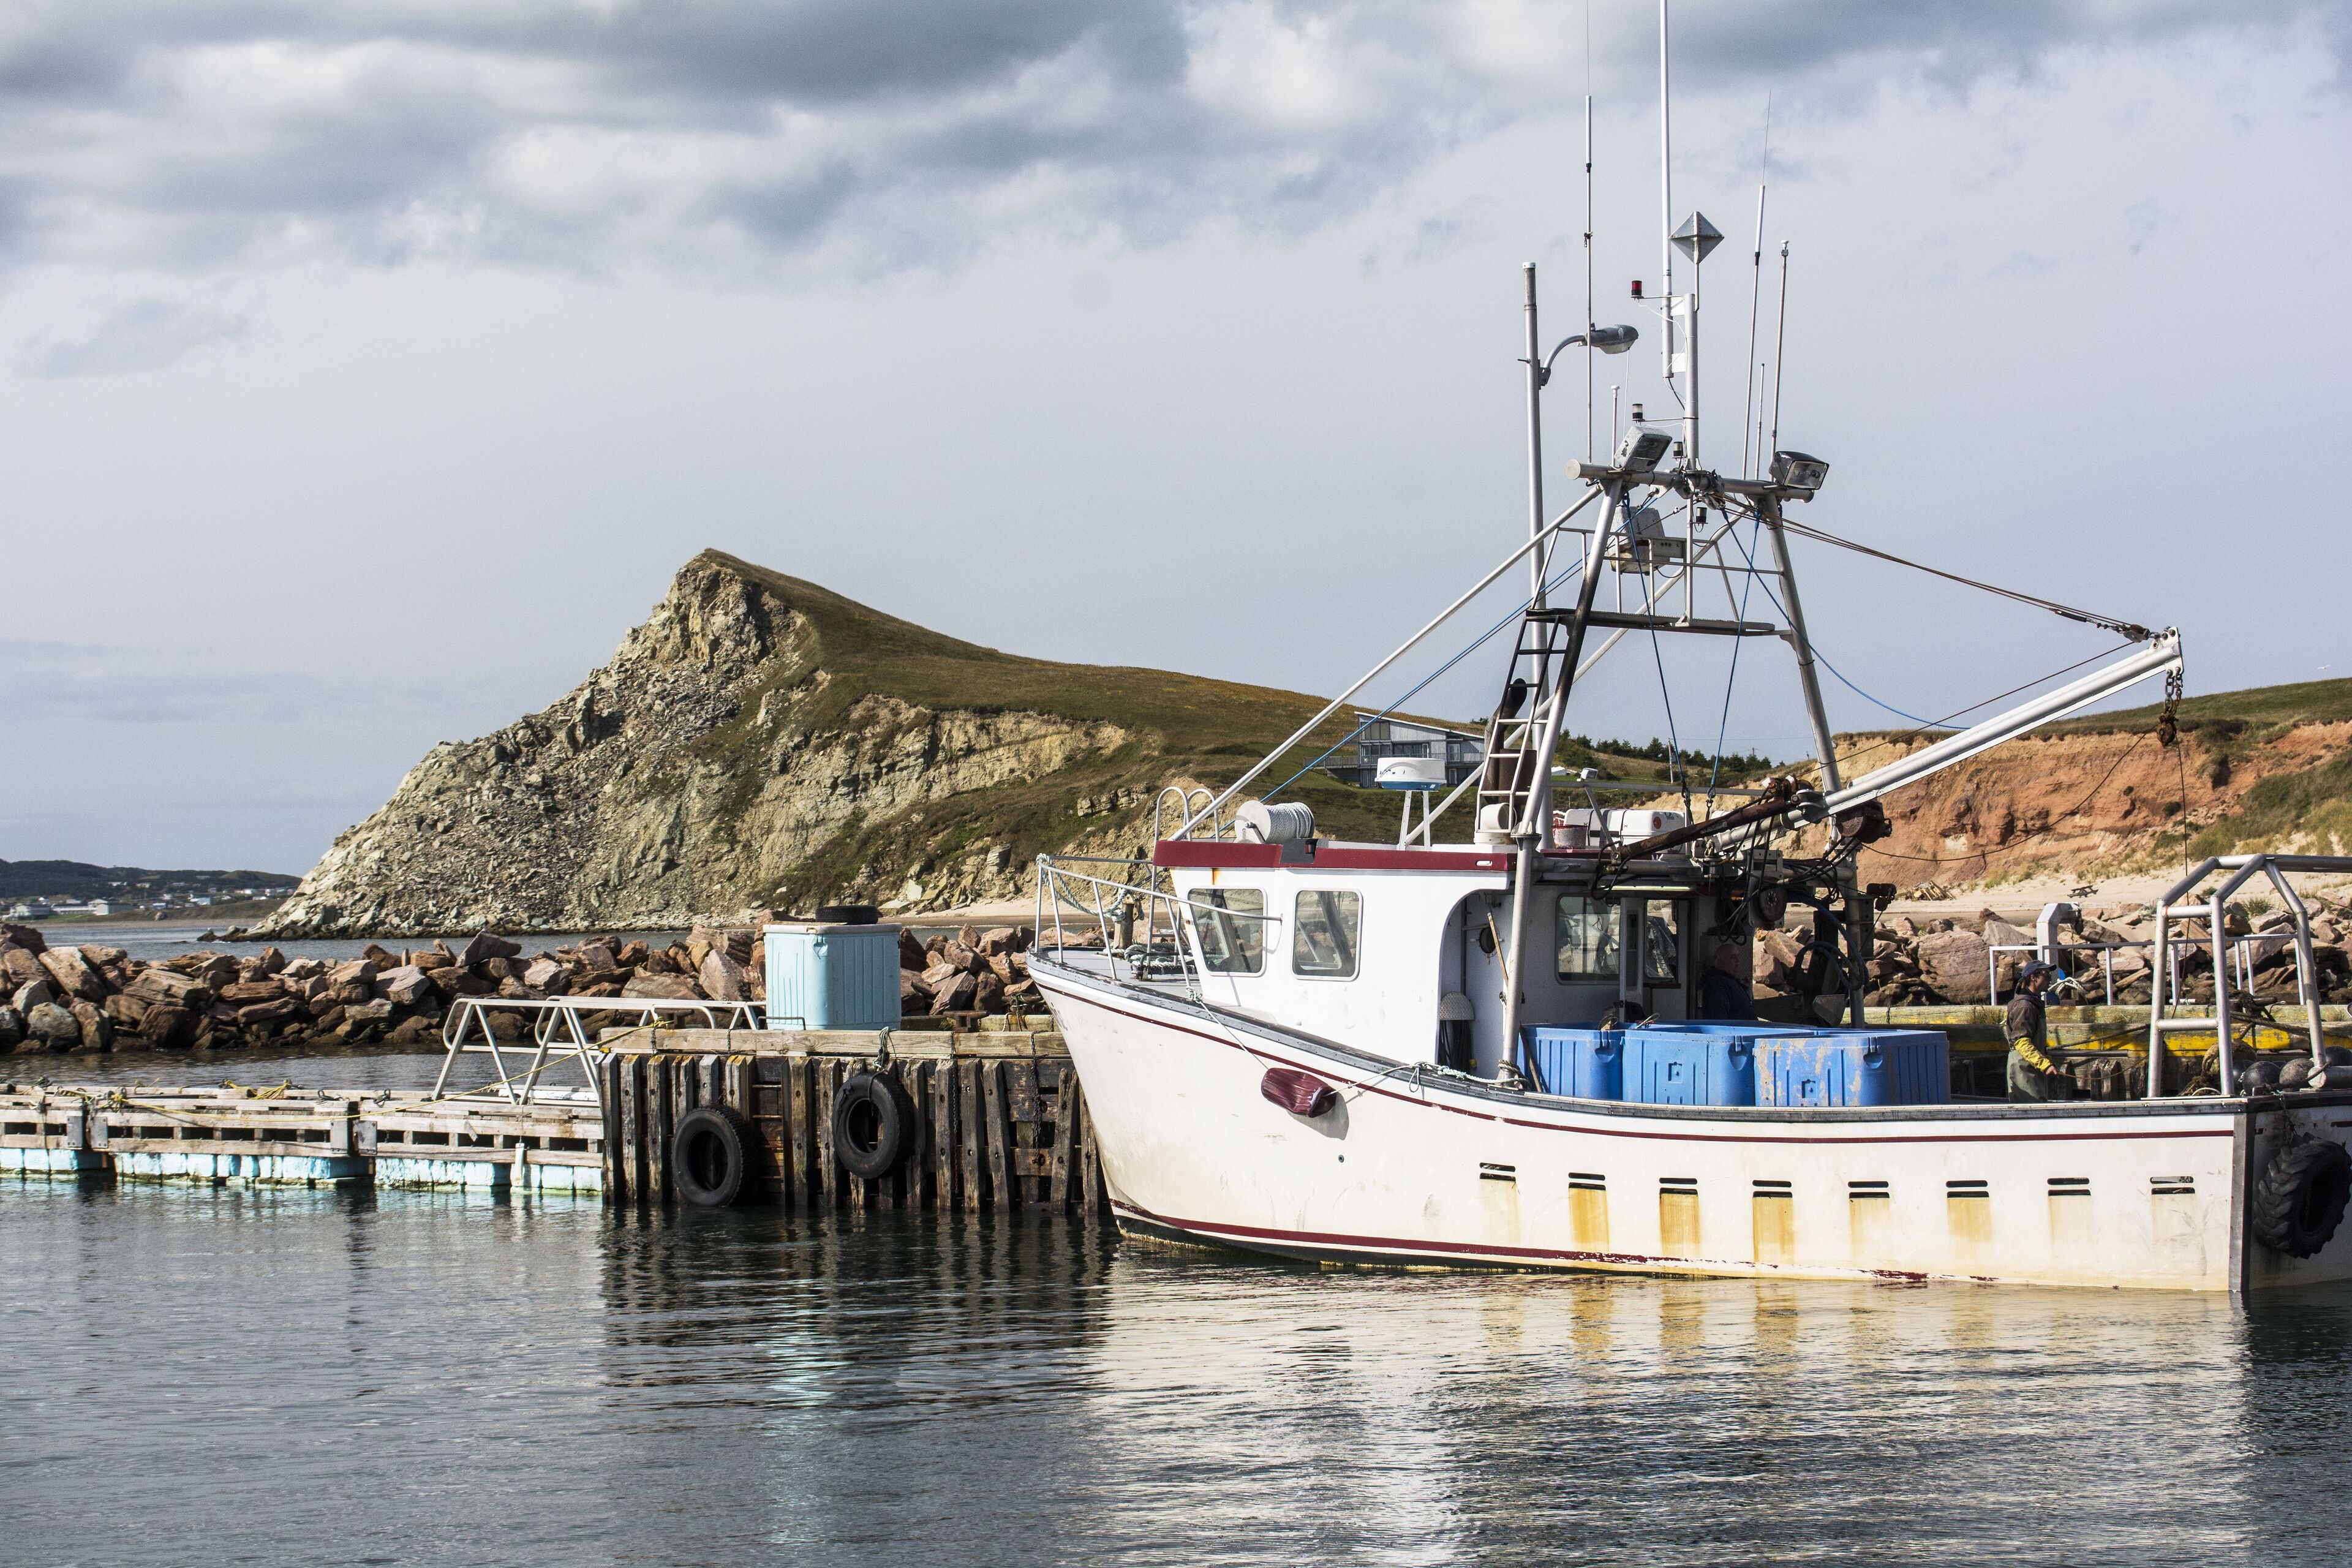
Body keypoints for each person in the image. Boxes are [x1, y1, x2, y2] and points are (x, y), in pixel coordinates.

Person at [2006, 961, 2074, 1102]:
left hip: (2032, 1067)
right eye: (2047, 975)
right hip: (2023, 1070)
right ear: (2033, 978)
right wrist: (2045, 1065)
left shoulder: (2034, 1003)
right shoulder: (2024, 1006)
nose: (2050, 979)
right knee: (2031, 1114)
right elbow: (2021, 1042)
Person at [1697, 941, 1756, 1020]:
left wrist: (1741, 987)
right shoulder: (1716, 985)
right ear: (1720, 962)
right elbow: (1718, 1018)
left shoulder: (1727, 981)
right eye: (1733, 957)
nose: (1738, 961)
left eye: (1738, 957)